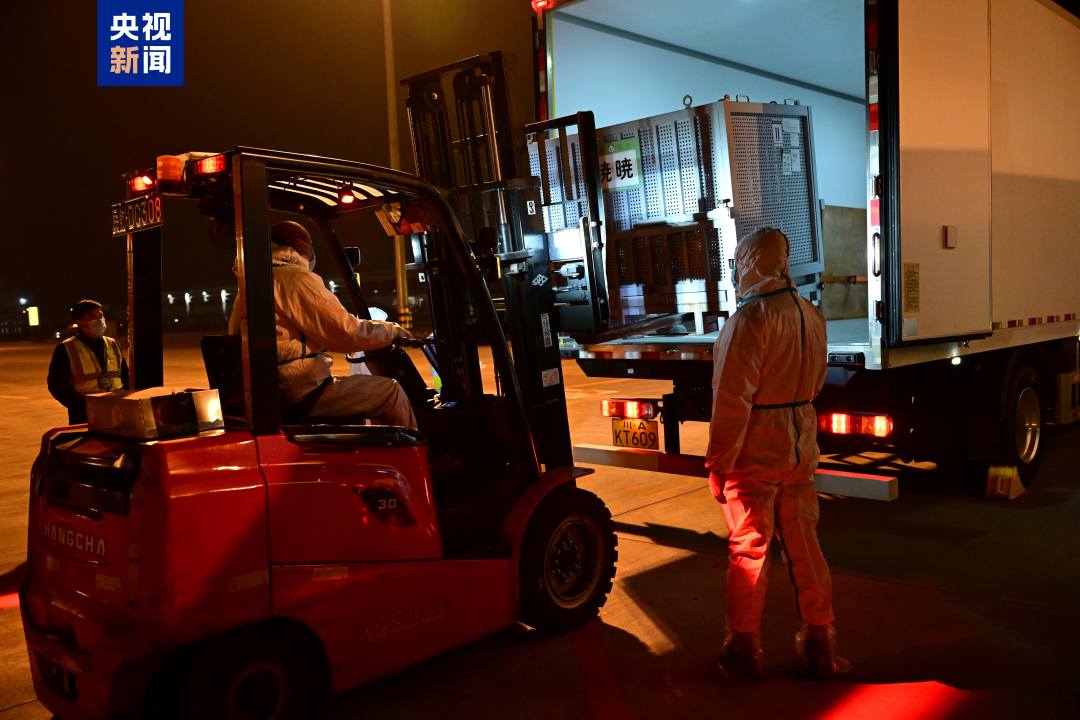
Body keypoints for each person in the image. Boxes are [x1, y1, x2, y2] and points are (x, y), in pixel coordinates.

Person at [706, 227, 850, 681]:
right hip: (800, 439)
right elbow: (817, 379)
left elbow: (732, 398)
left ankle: (743, 648)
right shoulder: (811, 315)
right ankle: (820, 642)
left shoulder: (750, 319)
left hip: (757, 444)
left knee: (749, 548)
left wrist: (718, 462)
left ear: (750, 264)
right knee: (805, 545)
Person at [228, 220, 417, 428]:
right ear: (300, 244)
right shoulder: (294, 279)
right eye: (311, 245)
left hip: (275, 385)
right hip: (299, 388)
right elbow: (344, 332)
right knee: (390, 391)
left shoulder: (256, 279)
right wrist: (392, 331)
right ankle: (417, 448)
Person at [47, 300, 129, 424]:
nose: (99, 320)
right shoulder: (66, 348)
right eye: (93, 317)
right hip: (85, 416)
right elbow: (56, 385)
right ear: (79, 322)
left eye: (101, 315)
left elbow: (125, 376)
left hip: (117, 411)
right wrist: (80, 406)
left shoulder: (113, 344)